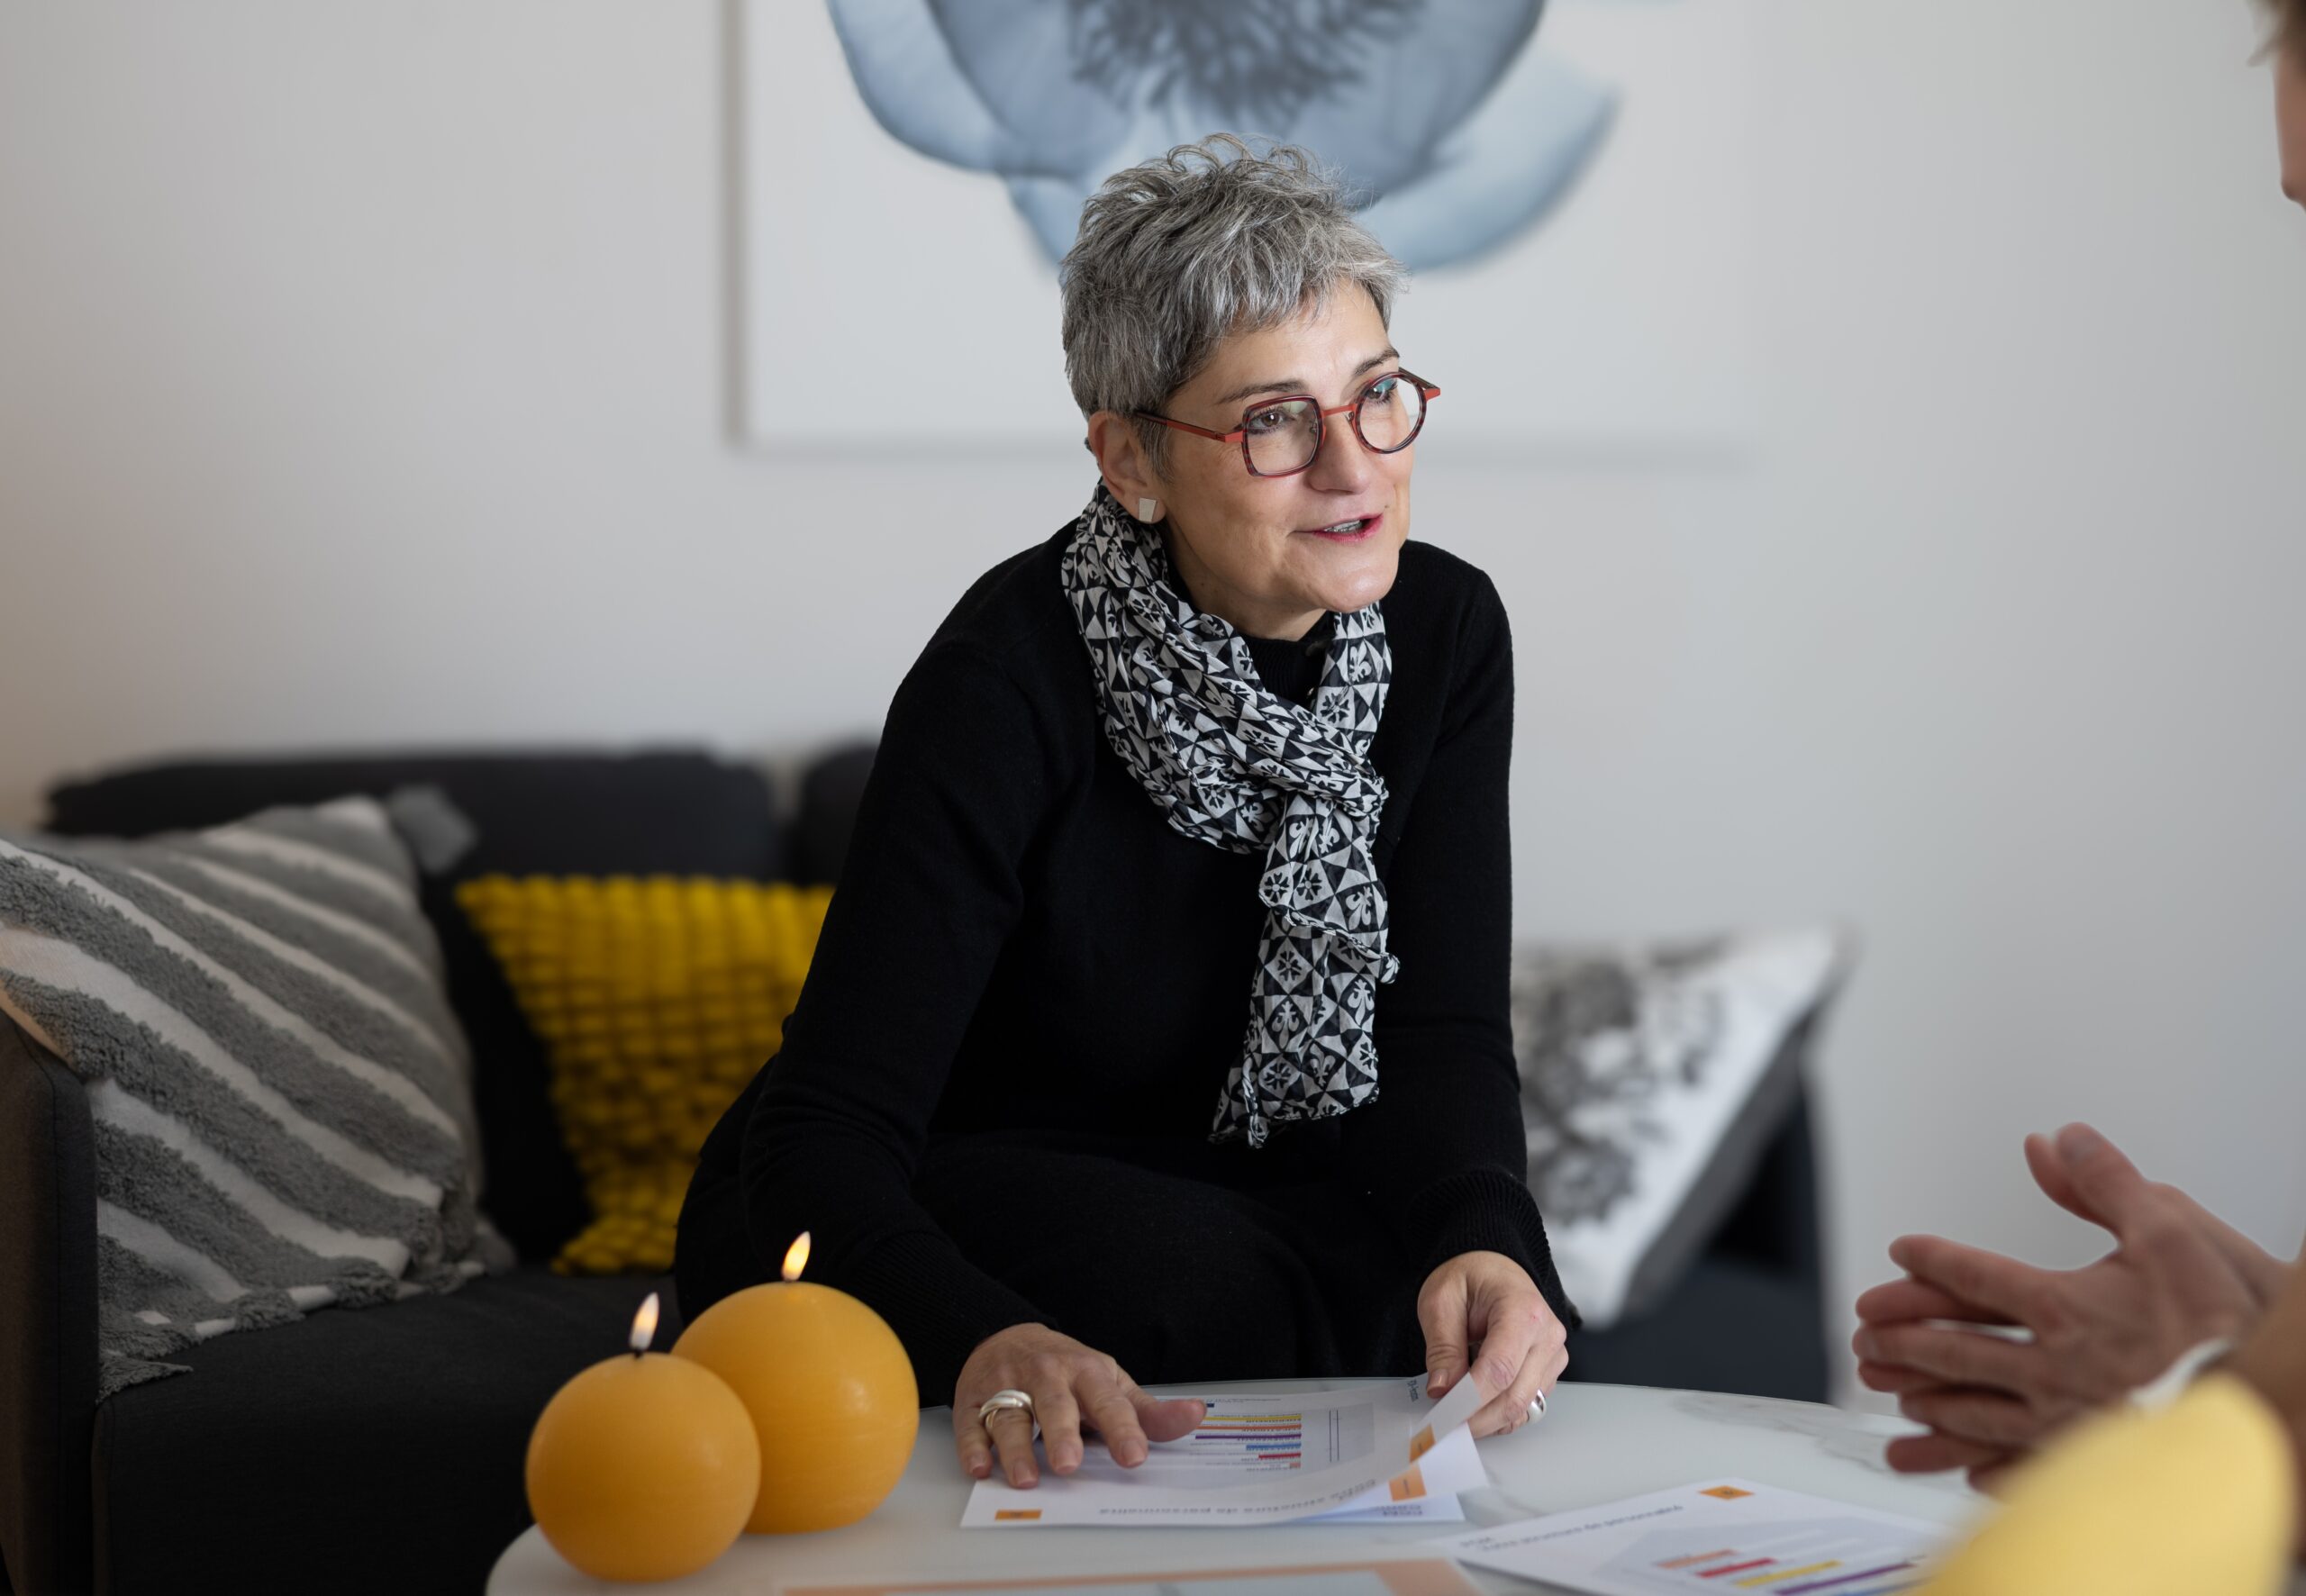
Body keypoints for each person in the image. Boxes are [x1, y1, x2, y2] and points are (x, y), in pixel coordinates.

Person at [673, 133, 1575, 1493]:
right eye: (1274, 420)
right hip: (917, 1203)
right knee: (1207, 1282)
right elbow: (822, 1136)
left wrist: (1486, 1236)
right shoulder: (1007, 675)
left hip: (1227, 1197)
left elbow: (1439, 1033)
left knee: (1456, 1296)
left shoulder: (1447, 631)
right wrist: (979, 1332)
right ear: (1133, 459)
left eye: (1377, 394)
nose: (1354, 467)